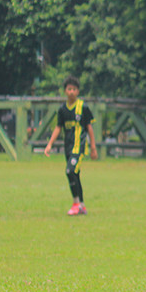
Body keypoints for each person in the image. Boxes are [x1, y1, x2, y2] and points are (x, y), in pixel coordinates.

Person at [44, 76, 98, 215]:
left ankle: (75, 203)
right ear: (65, 91)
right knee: (76, 175)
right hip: (68, 148)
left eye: (74, 89)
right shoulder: (62, 110)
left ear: (78, 91)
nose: (72, 92)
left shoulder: (83, 107)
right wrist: (50, 144)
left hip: (79, 148)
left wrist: (93, 147)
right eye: (69, 89)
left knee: (70, 171)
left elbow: (89, 128)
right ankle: (82, 206)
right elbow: (58, 127)